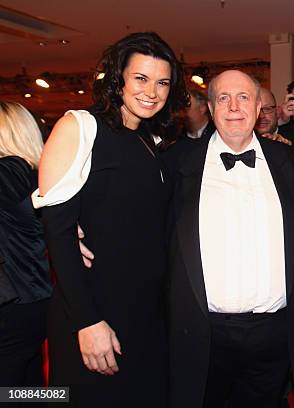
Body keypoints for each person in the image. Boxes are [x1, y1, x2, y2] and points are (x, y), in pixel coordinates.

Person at [33, 32, 188, 407]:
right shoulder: (80, 126)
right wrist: (87, 322)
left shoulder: (150, 139)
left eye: (162, 82)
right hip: (97, 312)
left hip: (147, 316)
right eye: (141, 78)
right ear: (118, 78)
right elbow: (57, 229)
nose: (152, 91)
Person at [166, 69, 294, 408]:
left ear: (260, 107)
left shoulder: (289, 161)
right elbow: (139, 225)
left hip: (275, 334)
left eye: (243, 97)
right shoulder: (176, 164)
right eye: (223, 98)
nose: (234, 107)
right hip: (204, 334)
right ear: (210, 107)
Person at [0, 102, 52, 389]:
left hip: (11, 305)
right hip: (36, 298)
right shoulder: (36, 172)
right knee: (27, 387)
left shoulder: (5, 172)